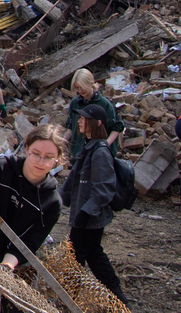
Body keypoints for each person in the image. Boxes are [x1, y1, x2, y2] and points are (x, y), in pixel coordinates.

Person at [0, 124, 64, 313]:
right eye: (35, 153)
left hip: (18, 268)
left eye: (48, 158)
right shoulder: (0, 170)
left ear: (57, 160)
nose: (40, 161)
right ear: (26, 148)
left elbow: (31, 241)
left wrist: (8, 265)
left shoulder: (52, 202)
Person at [60, 104, 128, 304]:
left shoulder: (100, 152)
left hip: (91, 217)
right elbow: (72, 181)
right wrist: (55, 199)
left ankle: (69, 299)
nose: (79, 121)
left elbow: (104, 189)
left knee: (79, 255)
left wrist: (86, 211)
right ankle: (116, 299)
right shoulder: (88, 147)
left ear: (96, 123)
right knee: (89, 255)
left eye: (83, 119)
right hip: (84, 214)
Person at [65, 69, 123, 158]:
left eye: (82, 87)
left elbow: (116, 128)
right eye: (77, 88)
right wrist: (61, 142)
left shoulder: (105, 104)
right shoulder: (75, 103)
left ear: (91, 83)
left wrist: (104, 146)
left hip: (100, 156)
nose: (80, 90)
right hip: (78, 154)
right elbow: (71, 127)